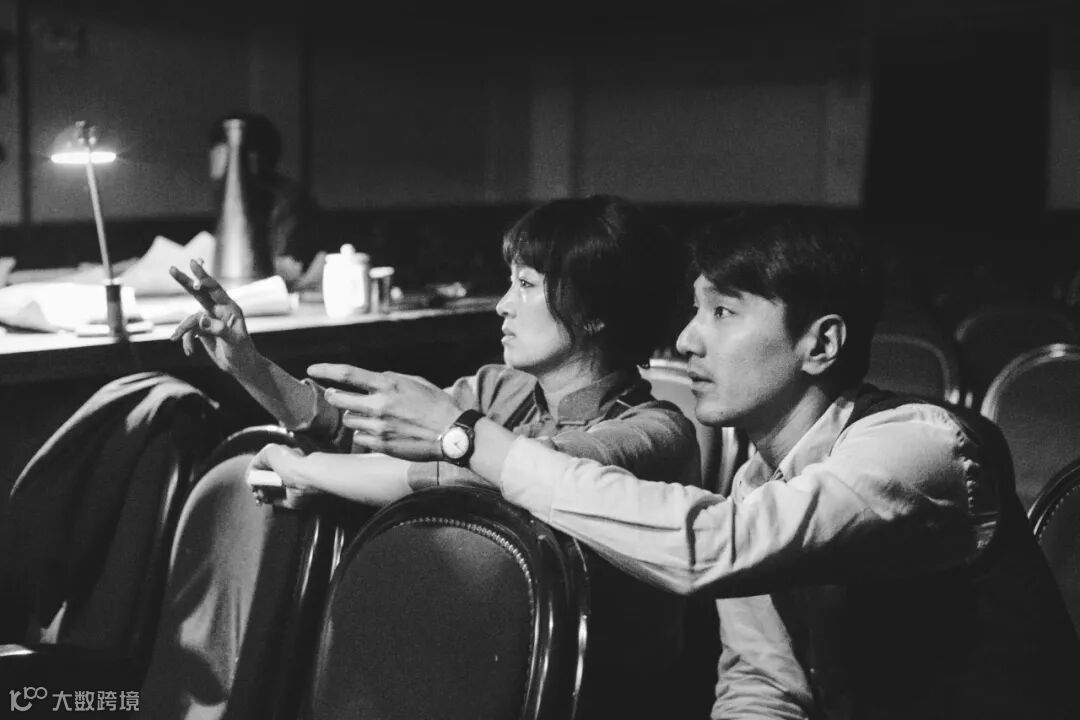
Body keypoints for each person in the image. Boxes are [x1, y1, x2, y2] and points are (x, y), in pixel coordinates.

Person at [311, 206, 1080, 719]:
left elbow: (712, 546)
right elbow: (765, 686)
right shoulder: (755, 479)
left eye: (723, 313)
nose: (685, 341)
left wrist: (469, 436)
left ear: (821, 343)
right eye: (694, 310)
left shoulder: (920, 446)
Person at [142, 195, 701, 720]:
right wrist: (248, 364)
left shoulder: (652, 433)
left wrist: (308, 470)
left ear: (595, 311)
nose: (503, 305)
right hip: (462, 657)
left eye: (527, 285)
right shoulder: (501, 389)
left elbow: (488, 478)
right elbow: (360, 433)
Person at [208, 112, 320, 287]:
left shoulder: (285, 200)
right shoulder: (227, 199)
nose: (214, 157)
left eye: (222, 149)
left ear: (252, 157)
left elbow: (279, 263)